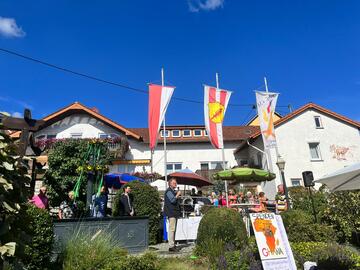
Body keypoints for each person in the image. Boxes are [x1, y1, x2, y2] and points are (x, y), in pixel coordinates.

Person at [164, 178, 181, 252]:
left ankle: (173, 245)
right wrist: (177, 194)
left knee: (173, 229)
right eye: (174, 183)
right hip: (171, 213)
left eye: (176, 182)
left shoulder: (172, 191)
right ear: (170, 183)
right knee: (172, 229)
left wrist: (176, 194)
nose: (175, 184)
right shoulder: (168, 191)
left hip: (174, 212)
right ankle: (171, 246)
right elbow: (173, 200)